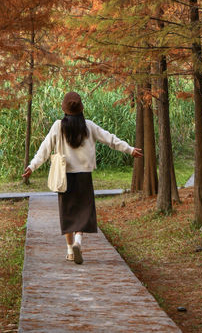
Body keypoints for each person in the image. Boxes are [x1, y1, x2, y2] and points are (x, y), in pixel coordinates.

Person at [22, 91, 143, 264]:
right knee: (83, 212)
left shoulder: (58, 126)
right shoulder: (89, 126)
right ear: (81, 109)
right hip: (84, 176)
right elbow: (110, 139)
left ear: (64, 109)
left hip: (64, 177)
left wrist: (32, 166)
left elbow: (44, 148)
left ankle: (70, 250)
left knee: (68, 213)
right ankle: (79, 241)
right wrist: (129, 149)